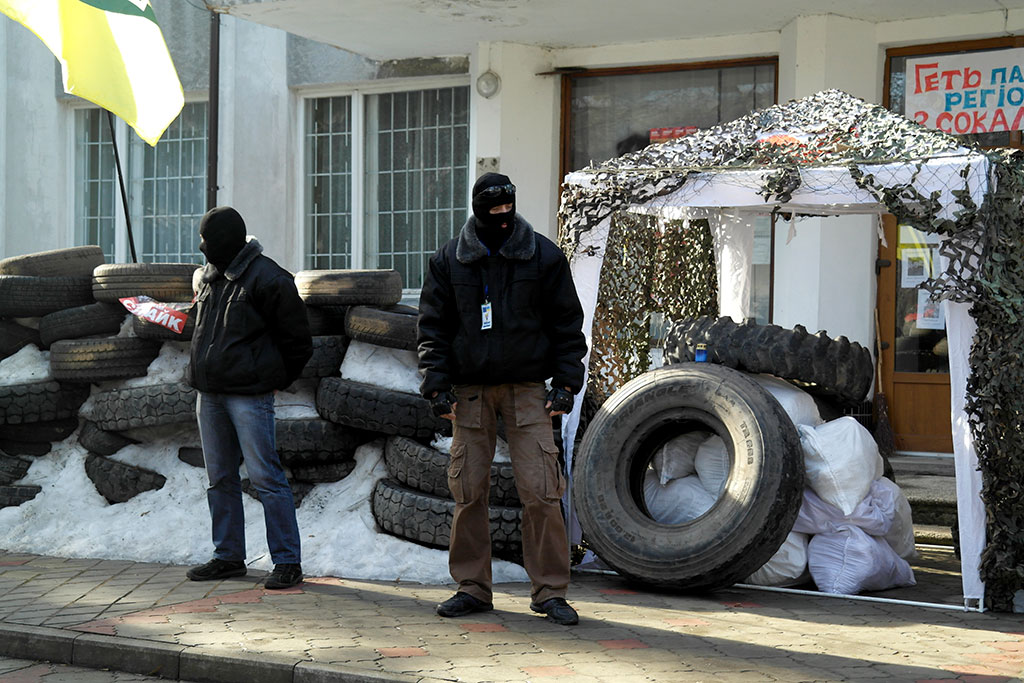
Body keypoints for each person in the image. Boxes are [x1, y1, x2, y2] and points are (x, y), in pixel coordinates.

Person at [417, 173, 587, 625]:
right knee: (469, 492)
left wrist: (566, 385)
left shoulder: (544, 256)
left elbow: (568, 326)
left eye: (507, 210)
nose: (502, 219)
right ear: (476, 210)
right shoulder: (450, 260)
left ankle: (550, 592)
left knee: (542, 492)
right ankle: (472, 587)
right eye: (492, 212)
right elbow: (432, 328)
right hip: (470, 394)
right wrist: (436, 385)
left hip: (530, 391)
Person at [185, 206, 313, 590]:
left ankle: (287, 561)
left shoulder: (270, 278)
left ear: (226, 240)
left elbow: (298, 343)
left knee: (266, 478)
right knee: (219, 478)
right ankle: (228, 557)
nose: (202, 246)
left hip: (249, 397)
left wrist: (274, 380)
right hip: (209, 395)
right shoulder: (210, 277)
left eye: (207, 239)